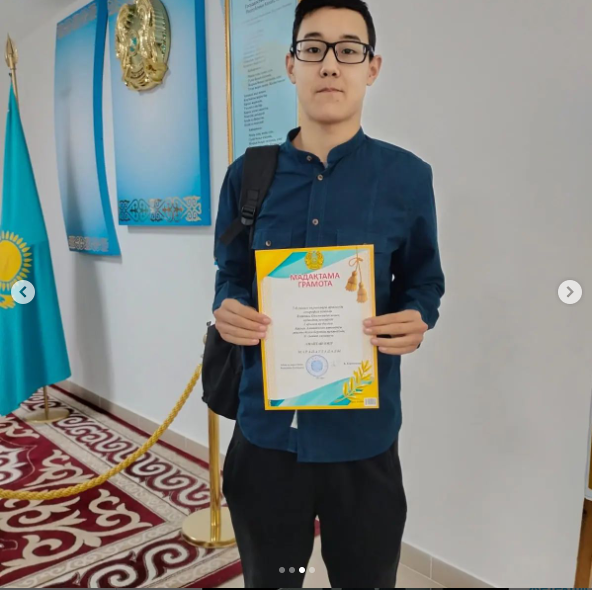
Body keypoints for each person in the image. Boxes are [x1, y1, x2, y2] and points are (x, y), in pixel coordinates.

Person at [212, 0, 445, 586]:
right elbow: (230, 273)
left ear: (372, 67)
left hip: (363, 443)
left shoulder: (406, 178)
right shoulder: (247, 176)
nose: (330, 65)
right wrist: (229, 307)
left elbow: (424, 279)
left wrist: (417, 316)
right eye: (313, 48)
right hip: (267, 436)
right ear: (292, 64)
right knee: (272, 579)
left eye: (349, 49)